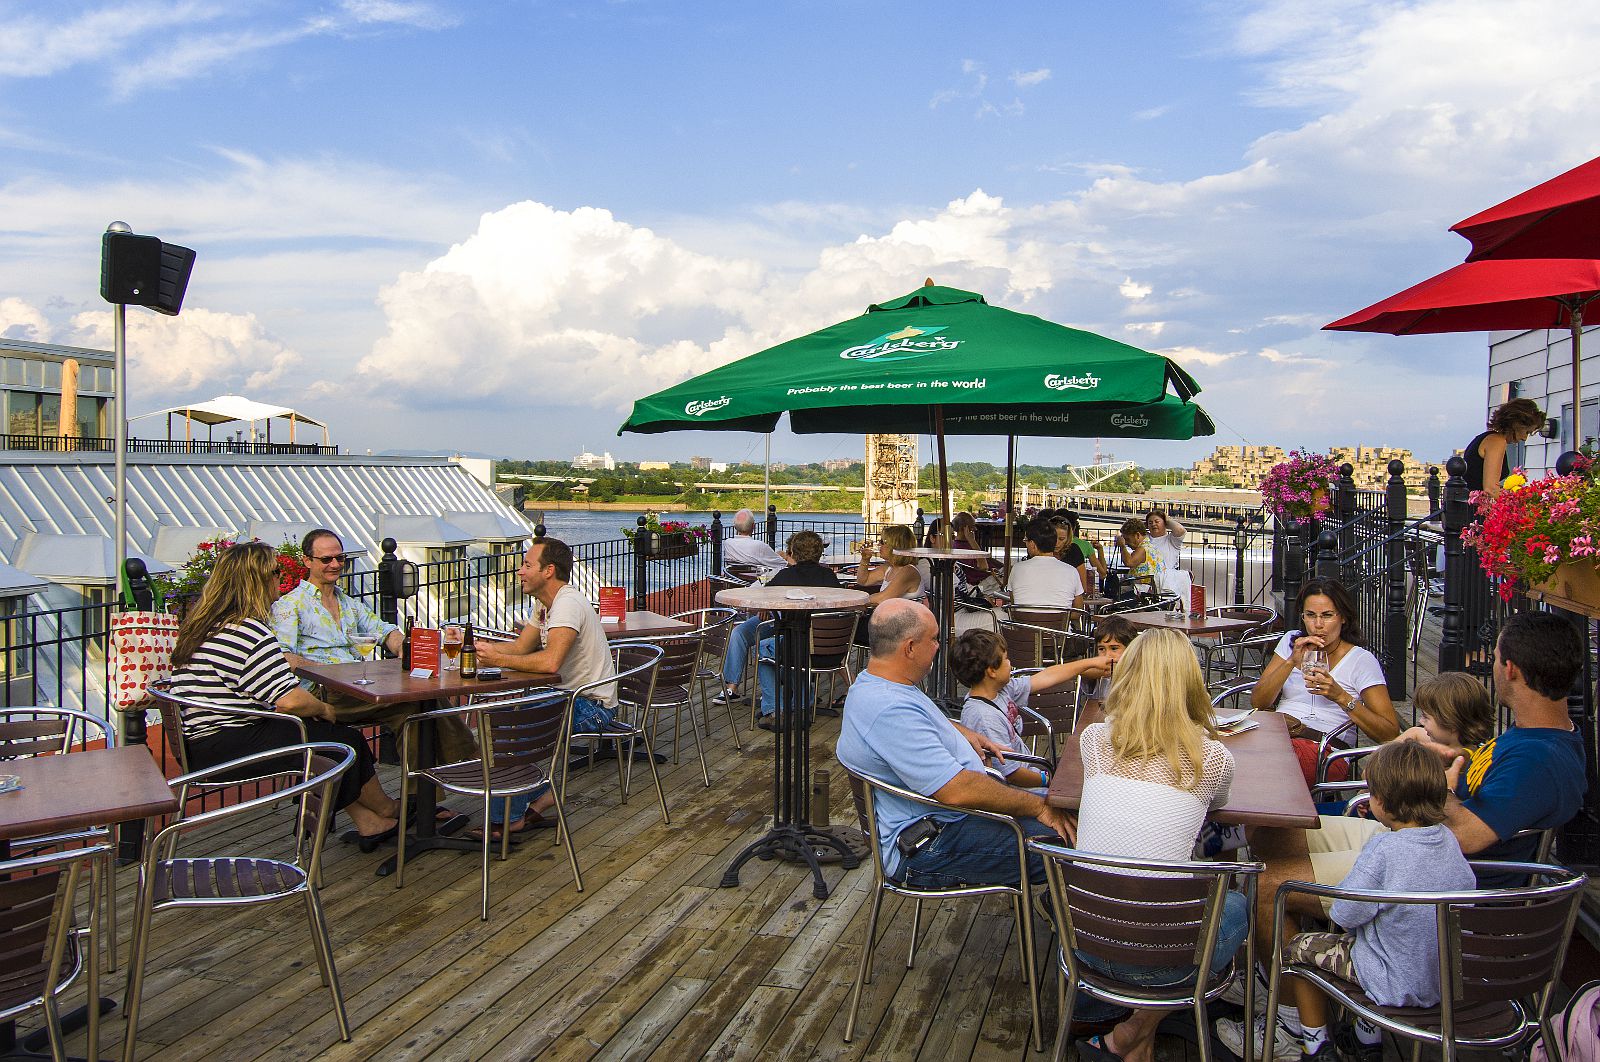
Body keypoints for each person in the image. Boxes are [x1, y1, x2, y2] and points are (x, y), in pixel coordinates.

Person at [1247, 610, 1588, 1050]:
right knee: (1271, 834)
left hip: (1429, 878)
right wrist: (1438, 751)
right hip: (1406, 844)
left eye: (1496, 656)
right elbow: (1479, 777)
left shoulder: (1538, 761)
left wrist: (1434, 783)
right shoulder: (1535, 737)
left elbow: (1461, 839)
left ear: (1511, 671)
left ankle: (1296, 1025)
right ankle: (1276, 965)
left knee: (1266, 887)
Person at [1220, 740, 1475, 1062]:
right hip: (1439, 978)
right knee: (1378, 933)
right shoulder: (1450, 843)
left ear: (1380, 801)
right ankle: (1365, 1039)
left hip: (1389, 978)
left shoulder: (1384, 851)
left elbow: (1345, 914)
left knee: (1299, 948)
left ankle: (1313, 1043)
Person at [1071, 629, 1245, 1062]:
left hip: (1086, 943)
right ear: (1190, 680)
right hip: (1162, 958)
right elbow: (1219, 806)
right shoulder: (1212, 758)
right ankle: (1135, 1030)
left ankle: (1134, 1038)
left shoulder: (1095, 741)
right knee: (1238, 903)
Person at [168, 541, 400, 842]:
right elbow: (290, 701)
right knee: (344, 740)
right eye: (276, 572)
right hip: (226, 742)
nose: (281, 579)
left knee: (326, 738)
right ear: (259, 580)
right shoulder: (247, 630)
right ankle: (387, 810)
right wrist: (325, 709)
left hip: (201, 740)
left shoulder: (204, 625)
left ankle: (370, 822)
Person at [836, 599, 1075, 889]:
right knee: (1074, 840)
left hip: (943, 821)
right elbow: (958, 790)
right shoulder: (888, 709)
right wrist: (1038, 807)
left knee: (1077, 816)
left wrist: (958, 729)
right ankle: (1070, 916)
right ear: (909, 648)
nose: (940, 645)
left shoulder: (875, 683)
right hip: (928, 846)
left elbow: (913, 724)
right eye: (934, 638)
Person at [273, 528, 476, 765]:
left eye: (340, 558)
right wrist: (327, 672)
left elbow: (384, 630)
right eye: (326, 559)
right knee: (416, 700)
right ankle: (471, 759)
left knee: (415, 706)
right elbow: (284, 657)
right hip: (322, 692)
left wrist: (403, 646)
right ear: (307, 561)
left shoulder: (348, 603)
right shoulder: (290, 605)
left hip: (357, 686)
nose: (335, 564)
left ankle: (418, 796)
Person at [475, 537, 619, 838]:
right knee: (510, 719)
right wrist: (483, 651)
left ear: (548, 570)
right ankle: (543, 794)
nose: (520, 571)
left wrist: (497, 659)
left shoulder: (566, 605)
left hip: (591, 705)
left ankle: (510, 818)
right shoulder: (545, 606)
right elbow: (521, 647)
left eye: (528, 565)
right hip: (566, 697)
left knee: (513, 726)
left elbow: (551, 662)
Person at [1250, 578, 1400, 782]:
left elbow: (1389, 732)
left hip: (1326, 748)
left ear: (1343, 617)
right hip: (1280, 736)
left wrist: (1340, 696)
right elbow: (1258, 702)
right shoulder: (1291, 642)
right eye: (1310, 615)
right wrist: (1291, 662)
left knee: (1265, 767)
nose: (1318, 625)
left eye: (1327, 616)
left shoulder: (1360, 660)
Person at [952, 629, 1114, 788]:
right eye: (1006, 659)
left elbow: (1047, 676)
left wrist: (1090, 662)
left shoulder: (1000, 690)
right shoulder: (984, 718)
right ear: (992, 671)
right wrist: (1048, 780)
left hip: (1032, 768)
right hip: (1020, 789)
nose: (1011, 663)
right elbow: (1011, 774)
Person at [714, 530, 841, 708]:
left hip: (794, 637)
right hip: (830, 645)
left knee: (765, 647)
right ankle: (733, 687)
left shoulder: (785, 576)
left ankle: (773, 708)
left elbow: (762, 598)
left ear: (792, 552)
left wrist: (766, 606)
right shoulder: (829, 576)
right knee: (743, 633)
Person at [1404, 671, 1496, 769]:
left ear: (1451, 723)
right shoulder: (1474, 747)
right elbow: (1415, 732)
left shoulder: (1466, 764)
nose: (1421, 721)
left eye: (1426, 717)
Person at [1463, 398, 1546, 498]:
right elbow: (1491, 490)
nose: (1524, 438)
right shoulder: (1497, 441)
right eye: (1526, 432)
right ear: (1516, 424)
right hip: (1472, 510)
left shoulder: (1486, 438)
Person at [1003, 518, 1085, 610]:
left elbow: (1015, 606)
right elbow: (1078, 610)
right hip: (1059, 623)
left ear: (1033, 544)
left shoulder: (1017, 569)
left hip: (1024, 623)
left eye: (1026, 540)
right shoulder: (1071, 571)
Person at [1076, 615, 1137, 726]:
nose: (1107, 655)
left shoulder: (1138, 673)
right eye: (1101, 649)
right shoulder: (1100, 673)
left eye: (1114, 648)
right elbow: (1083, 672)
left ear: (1131, 649)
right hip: (1103, 724)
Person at [856, 524, 928, 603]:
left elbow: (883, 597)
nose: (879, 545)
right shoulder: (889, 567)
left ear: (895, 546)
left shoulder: (909, 571)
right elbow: (863, 581)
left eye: (883, 542)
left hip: (905, 614)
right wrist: (865, 560)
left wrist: (856, 601)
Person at [721, 508, 787, 569]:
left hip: (734, 578)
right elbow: (783, 564)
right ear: (753, 526)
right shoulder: (759, 546)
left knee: (780, 553)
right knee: (783, 555)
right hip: (756, 579)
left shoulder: (728, 543)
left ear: (735, 527)